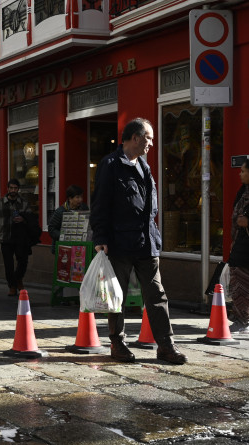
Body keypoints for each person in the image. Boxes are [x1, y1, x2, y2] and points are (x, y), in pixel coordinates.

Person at [90, 117, 187, 365]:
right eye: (149, 138)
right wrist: (100, 237)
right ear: (135, 138)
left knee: (157, 295)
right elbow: (100, 204)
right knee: (117, 297)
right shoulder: (110, 165)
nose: (151, 144)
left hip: (146, 242)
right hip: (119, 242)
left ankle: (166, 346)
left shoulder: (144, 166)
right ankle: (117, 343)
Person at [0, 178, 32, 296]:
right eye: (11, 188)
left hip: (20, 238)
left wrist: (23, 219)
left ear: (18, 189)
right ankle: (12, 286)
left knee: (23, 262)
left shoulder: (24, 203)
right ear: (8, 189)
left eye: (15, 188)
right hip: (5, 238)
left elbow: (31, 219)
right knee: (8, 265)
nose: (13, 190)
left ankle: (18, 278)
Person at [227, 158, 249, 333]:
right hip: (241, 244)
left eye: (243, 171)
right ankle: (242, 318)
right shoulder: (243, 191)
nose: (240, 173)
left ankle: (243, 320)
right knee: (238, 281)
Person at [48, 184, 89, 253]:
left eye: (81, 197)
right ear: (70, 199)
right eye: (77, 197)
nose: (80, 200)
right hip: (63, 247)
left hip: (80, 247)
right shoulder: (60, 211)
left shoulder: (84, 208)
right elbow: (51, 229)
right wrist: (65, 236)